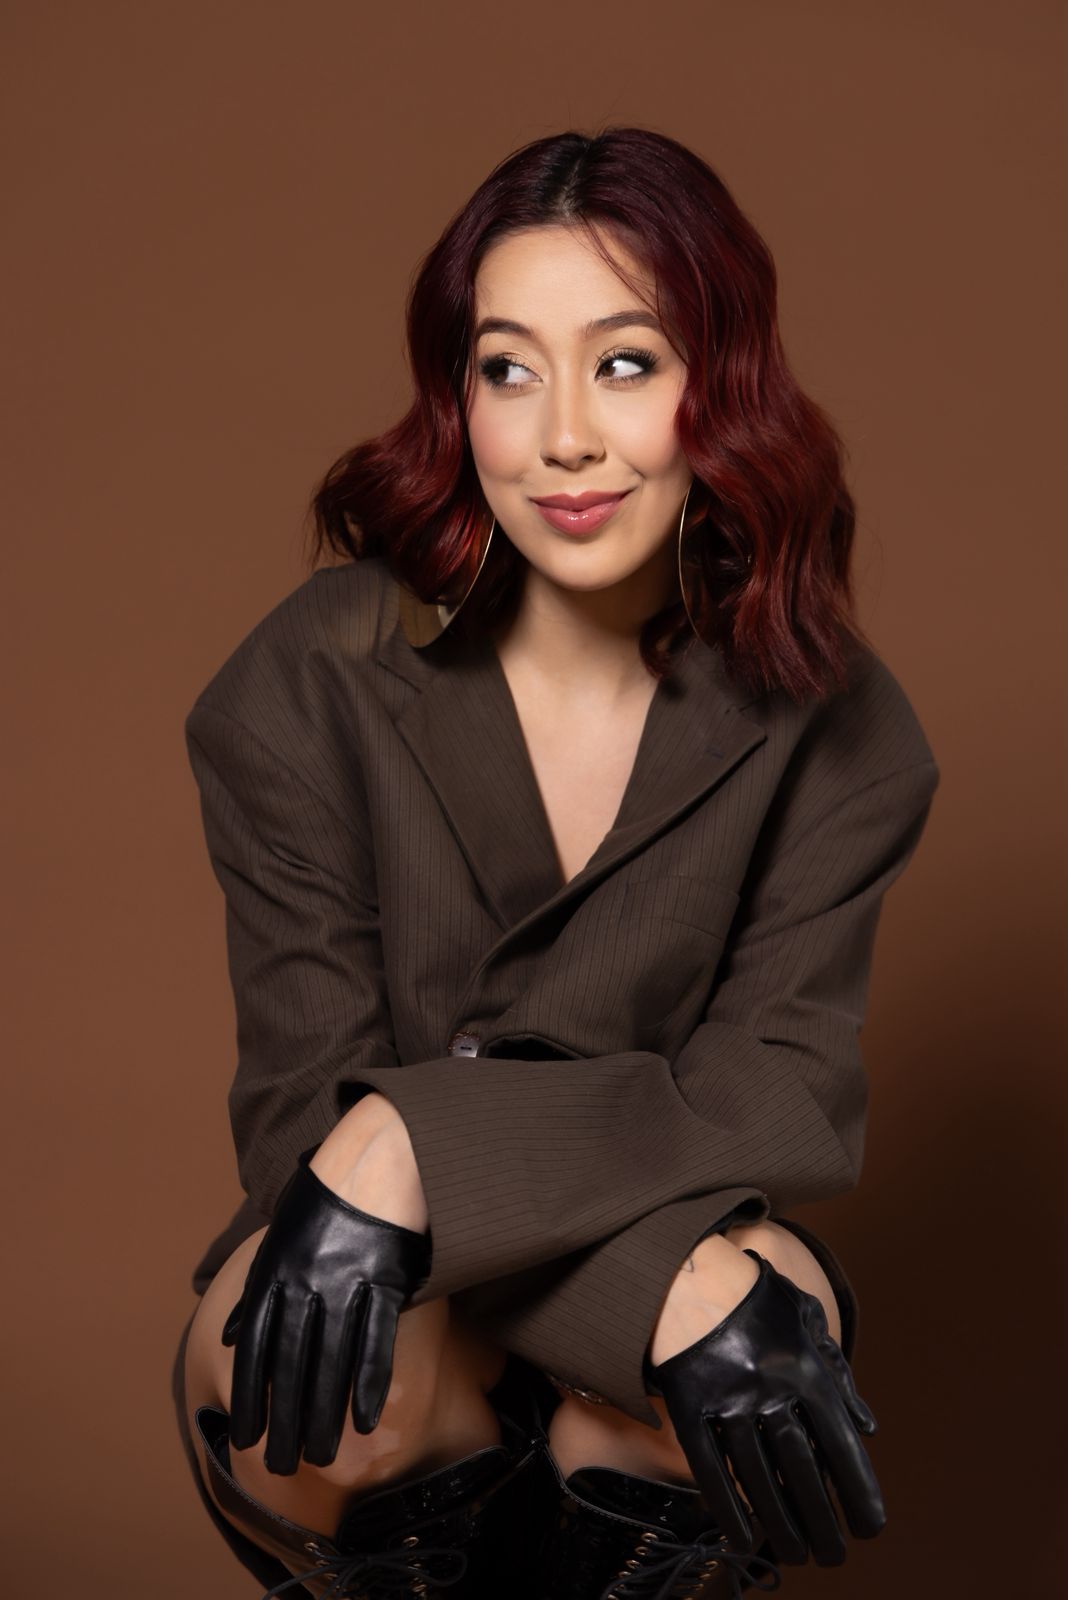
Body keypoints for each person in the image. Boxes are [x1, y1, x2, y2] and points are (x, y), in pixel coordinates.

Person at [171, 125, 940, 1600]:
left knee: (752, 1342)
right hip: (377, 1316)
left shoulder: (842, 723)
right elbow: (305, 1140)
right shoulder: (311, 677)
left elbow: (771, 1100)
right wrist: (659, 1292)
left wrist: (418, 1144)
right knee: (348, 1359)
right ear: (455, 396)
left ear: (723, 387)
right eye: (508, 370)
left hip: (619, 1285)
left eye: (627, 363)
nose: (562, 438)